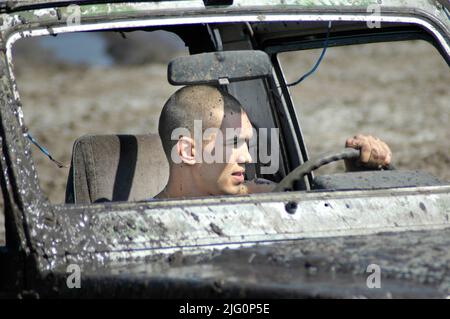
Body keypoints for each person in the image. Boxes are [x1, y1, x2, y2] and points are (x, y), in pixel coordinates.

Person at [155, 85, 392, 199]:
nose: (247, 158)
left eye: (247, 144)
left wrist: (363, 176)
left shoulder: (265, 197)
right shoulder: (140, 230)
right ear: (188, 151)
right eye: (234, 142)